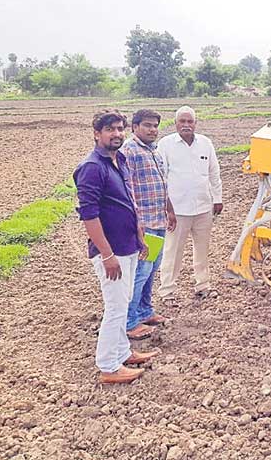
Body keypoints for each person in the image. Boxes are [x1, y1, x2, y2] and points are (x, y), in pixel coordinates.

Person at [74, 110, 160, 384]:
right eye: (110, 129)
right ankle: (109, 366)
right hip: (111, 251)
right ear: (96, 134)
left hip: (128, 245)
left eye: (120, 129)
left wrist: (139, 236)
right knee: (115, 308)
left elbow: (128, 200)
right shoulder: (92, 167)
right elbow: (89, 215)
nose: (117, 134)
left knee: (123, 303)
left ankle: (122, 352)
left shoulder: (119, 159)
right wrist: (107, 254)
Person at [157, 106, 223, 304]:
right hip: (177, 210)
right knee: (172, 251)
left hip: (204, 207)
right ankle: (167, 291)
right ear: (176, 123)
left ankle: (202, 285)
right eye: (182, 121)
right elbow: (161, 178)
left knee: (202, 249)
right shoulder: (166, 145)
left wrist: (217, 198)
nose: (186, 125)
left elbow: (214, 173)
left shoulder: (205, 143)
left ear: (196, 123)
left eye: (190, 121)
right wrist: (167, 209)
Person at [121, 109, 176, 340]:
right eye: (147, 125)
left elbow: (161, 183)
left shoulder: (154, 151)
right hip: (144, 223)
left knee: (152, 270)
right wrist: (136, 223)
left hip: (158, 219)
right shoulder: (129, 151)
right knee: (140, 272)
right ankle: (130, 322)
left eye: (155, 126)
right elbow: (126, 189)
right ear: (134, 127)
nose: (152, 130)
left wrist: (170, 209)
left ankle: (145, 311)